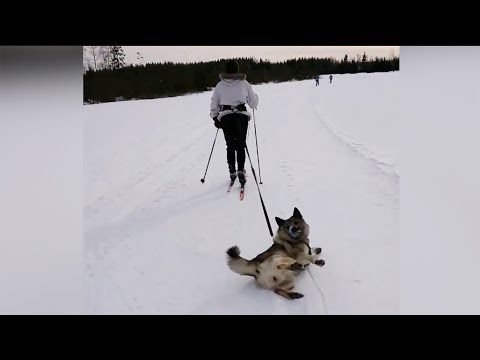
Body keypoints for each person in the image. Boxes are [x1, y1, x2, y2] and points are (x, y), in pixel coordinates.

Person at [210, 59, 259, 185]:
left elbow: (214, 103)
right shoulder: (244, 83)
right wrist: (256, 97)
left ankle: (232, 170)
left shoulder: (219, 85)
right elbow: (253, 103)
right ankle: (241, 170)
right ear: (237, 69)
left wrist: (215, 117)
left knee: (230, 145)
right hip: (241, 116)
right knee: (241, 145)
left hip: (226, 117)